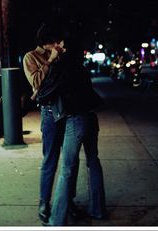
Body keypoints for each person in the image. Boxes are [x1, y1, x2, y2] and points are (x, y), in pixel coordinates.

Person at [38, 26, 107, 226]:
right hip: (91, 118)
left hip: (75, 121)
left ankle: (57, 220)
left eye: (60, 44)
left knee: (67, 169)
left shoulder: (60, 68)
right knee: (93, 162)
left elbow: (44, 94)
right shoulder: (81, 66)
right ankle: (98, 209)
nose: (57, 46)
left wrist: (51, 64)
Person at [23, 22, 81, 225]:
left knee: (70, 161)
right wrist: (51, 61)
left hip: (68, 112)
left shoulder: (62, 55)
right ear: (49, 42)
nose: (58, 45)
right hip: (49, 114)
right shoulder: (31, 57)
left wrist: (63, 57)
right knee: (50, 159)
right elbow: (36, 83)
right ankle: (44, 202)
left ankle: (66, 200)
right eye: (56, 41)